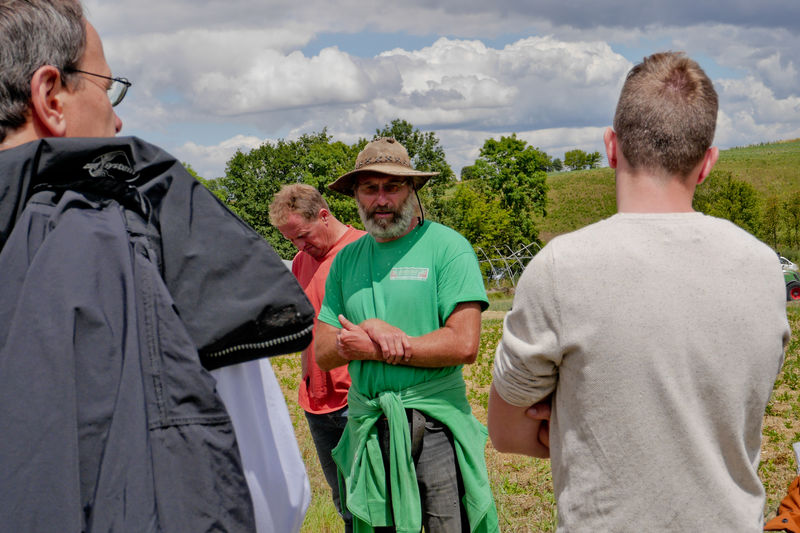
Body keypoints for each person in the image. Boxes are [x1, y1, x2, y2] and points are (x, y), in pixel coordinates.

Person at [0, 1, 315, 531]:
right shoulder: (167, 243)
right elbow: (274, 499)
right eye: (107, 88)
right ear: (50, 96)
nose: (118, 117)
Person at [488, 51, 791, 531]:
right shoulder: (762, 268)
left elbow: (506, 432)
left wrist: (574, 423)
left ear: (611, 147)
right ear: (707, 163)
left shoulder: (561, 267)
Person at [315, 137, 499, 532]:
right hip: (368, 424)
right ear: (356, 195)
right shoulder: (346, 260)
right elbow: (323, 352)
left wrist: (374, 348)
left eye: (393, 186)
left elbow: (464, 344)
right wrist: (371, 328)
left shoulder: (448, 248)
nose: (381, 199)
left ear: (412, 190)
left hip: (434, 424)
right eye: (370, 188)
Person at [269, 183, 366, 531]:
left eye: (303, 235)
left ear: (324, 215)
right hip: (317, 403)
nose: (299, 246)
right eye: (290, 239)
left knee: (376, 502)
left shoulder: (363, 250)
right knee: (346, 506)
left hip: (359, 401)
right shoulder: (301, 261)